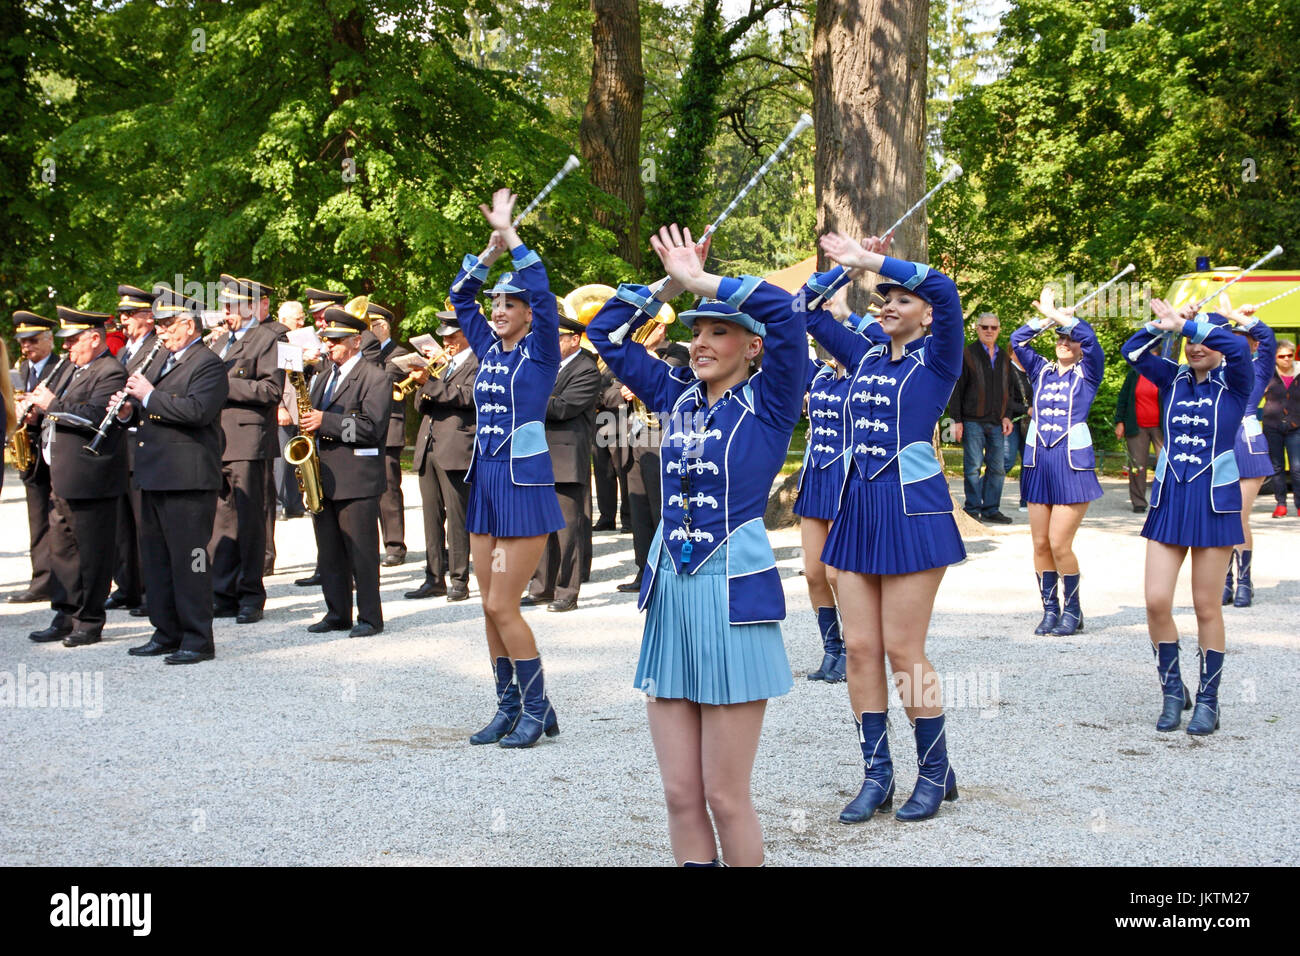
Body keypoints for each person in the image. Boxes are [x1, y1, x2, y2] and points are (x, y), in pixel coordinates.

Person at [588, 224, 803, 867]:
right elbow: (604, 334)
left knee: (724, 794)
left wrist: (703, 283)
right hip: (672, 598)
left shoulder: (770, 402)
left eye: (718, 331)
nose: (700, 342)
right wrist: (664, 285)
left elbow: (788, 318)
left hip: (733, 599)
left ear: (752, 347)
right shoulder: (674, 396)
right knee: (680, 793)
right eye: (697, 330)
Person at [806, 233, 966, 824]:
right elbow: (800, 310)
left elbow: (945, 289)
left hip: (911, 515)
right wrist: (839, 272)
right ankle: (877, 773)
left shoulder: (939, 357)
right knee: (862, 651)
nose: (890, 304)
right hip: (856, 513)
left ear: (924, 313)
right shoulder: (865, 354)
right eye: (884, 298)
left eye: (903, 297)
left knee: (904, 650)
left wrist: (871, 260)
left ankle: (933, 770)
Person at [449, 187, 566, 749]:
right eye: (495, 304)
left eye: (508, 305)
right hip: (486, 482)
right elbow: (457, 295)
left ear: (527, 314)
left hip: (524, 485)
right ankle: (508, 706)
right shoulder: (487, 348)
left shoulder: (541, 351)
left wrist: (514, 238)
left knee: (503, 602)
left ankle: (537, 708)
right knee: (486, 604)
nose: (497, 311)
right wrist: (489, 254)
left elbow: (544, 293)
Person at [1123, 299, 1253, 736]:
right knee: (1156, 600)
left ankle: (1210, 701)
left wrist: (1193, 326)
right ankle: (1173, 691)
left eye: (1202, 338)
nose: (1195, 347)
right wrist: (1162, 325)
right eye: (1188, 341)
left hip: (1213, 503)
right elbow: (1133, 352)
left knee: (1205, 605)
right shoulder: (1172, 378)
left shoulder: (1236, 382)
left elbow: (1236, 349)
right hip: (1170, 500)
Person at [109, 291, 229, 664]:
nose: (160, 332)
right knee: (157, 561)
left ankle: (197, 638)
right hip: (156, 474)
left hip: (189, 479)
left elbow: (197, 411)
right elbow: (150, 410)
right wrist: (129, 410)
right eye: (158, 325)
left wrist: (148, 396)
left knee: (191, 560)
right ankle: (165, 632)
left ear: (188, 325)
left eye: (166, 325)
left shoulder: (207, 363)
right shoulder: (160, 357)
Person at [796, 287, 886, 683]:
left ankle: (856, 648)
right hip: (815, 475)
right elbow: (788, 330)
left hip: (847, 478)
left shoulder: (869, 374)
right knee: (815, 573)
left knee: (838, 575)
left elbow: (883, 343)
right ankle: (831, 650)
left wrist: (849, 315)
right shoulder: (817, 374)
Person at [24, 307, 129, 647]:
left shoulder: (110, 371)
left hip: (91, 475)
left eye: (72, 341)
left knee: (92, 551)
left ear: (94, 338)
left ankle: (90, 619)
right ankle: (65, 612)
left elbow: (95, 417)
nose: (67, 348)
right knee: (63, 549)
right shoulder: (71, 368)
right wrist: (35, 411)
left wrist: (51, 403)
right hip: (63, 473)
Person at [1010, 289, 1105, 636]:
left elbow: (1091, 340)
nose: (1065, 342)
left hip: (1071, 466)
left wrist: (1066, 318)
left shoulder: (1088, 374)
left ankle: (1074, 610)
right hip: (1039, 464)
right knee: (1039, 543)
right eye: (1059, 337)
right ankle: (1050, 610)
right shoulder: (1040, 371)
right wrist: (1047, 317)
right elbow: (1017, 340)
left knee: (1060, 543)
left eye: (1070, 337)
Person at [300, 306, 392, 637]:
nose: (329, 346)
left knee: (362, 552)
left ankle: (370, 617)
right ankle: (337, 612)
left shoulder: (375, 377)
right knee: (330, 551)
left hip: (357, 478)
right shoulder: (323, 377)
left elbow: (371, 428)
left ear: (355, 341)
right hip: (324, 475)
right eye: (326, 340)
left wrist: (326, 421)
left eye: (336, 341)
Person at [207, 275, 286, 624]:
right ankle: (222, 593)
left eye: (233, 305)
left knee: (250, 519)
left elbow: (271, 390)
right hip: (217, 440)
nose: (227, 312)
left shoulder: (269, 338)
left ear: (251, 307)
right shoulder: (221, 341)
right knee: (221, 520)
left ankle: (251, 594)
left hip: (248, 440)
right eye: (223, 305)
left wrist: (224, 384)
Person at [522, 312, 601, 612]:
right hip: (538, 456)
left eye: (555, 338)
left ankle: (567, 591)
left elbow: (563, 407)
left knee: (568, 531)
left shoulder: (586, 369)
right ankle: (541, 587)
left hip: (566, 460)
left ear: (574, 339)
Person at [406, 312, 478, 602]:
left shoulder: (478, 362)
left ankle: (459, 580)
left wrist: (431, 383)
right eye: (444, 336)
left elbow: (469, 398)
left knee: (457, 517)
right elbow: (420, 404)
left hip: (456, 448)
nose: (446, 342)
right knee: (431, 517)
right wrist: (423, 382)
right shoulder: (443, 367)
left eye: (452, 336)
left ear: (467, 335)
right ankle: (433, 577)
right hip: (430, 445)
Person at [1216, 299, 1276, 607]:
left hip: (1248, 446)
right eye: (1232, 339)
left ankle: (1243, 581)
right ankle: (1223, 580)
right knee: (1220, 515)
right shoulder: (1214, 368)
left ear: (1251, 345)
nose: (1237, 345)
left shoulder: (1259, 367)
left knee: (1239, 517)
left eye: (1244, 339)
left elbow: (1269, 338)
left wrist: (1238, 315)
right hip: (1219, 446)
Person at [106, 284, 161, 616]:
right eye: (122, 314)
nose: (123, 320)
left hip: (141, 445)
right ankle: (127, 585)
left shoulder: (157, 348)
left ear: (148, 317)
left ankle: (147, 591)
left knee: (144, 527)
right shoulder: (125, 350)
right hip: (120, 448)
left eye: (130, 314)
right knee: (122, 526)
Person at [8, 311, 68, 605]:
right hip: (31, 448)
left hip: (54, 446)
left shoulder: (61, 366)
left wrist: (39, 410)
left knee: (59, 517)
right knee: (37, 518)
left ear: (47, 340)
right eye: (22, 342)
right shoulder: (23, 369)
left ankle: (58, 578)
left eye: (32, 341)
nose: (26, 347)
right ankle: (41, 578)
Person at [949, 311, 1013, 524]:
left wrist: (1007, 417)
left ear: (998, 330)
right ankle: (972, 508)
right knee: (973, 467)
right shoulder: (966, 354)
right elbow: (956, 390)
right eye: (984, 327)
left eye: (993, 327)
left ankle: (991, 509)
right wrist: (956, 421)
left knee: (997, 468)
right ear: (977, 329)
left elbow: (1009, 391)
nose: (989, 331)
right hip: (972, 420)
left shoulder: (1004, 357)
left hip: (997, 421)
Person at [368, 304, 410, 567]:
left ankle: (395, 545)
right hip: (365, 428)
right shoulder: (365, 354)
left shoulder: (399, 354)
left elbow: (380, 383)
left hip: (389, 429)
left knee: (389, 489)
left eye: (370, 327)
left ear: (383, 327)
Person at [273, 300, 309, 520]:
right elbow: (274, 377)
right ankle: (277, 504)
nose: (302, 321)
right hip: (285, 406)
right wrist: (279, 407)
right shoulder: (276, 339)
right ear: (284, 319)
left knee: (296, 457)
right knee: (280, 459)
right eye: (298, 318)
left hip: (300, 407)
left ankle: (295, 503)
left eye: (303, 317)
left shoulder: (298, 339)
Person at [1114, 368, 1164, 513]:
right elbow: (1123, 398)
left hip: (1160, 428)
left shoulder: (1163, 373)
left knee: (1165, 465)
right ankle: (1139, 502)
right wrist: (1120, 422)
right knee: (1137, 465)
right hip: (1136, 427)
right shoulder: (1134, 374)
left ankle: (1164, 501)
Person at [1262, 337, 1299, 517]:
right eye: (1281, 356)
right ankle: (1281, 504)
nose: (1286, 359)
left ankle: (1299, 504)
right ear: (1275, 358)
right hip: (1272, 426)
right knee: (1276, 467)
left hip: (1296, 426)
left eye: (1289, 355)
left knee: (1297, 467)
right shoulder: (1268, 374)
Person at [1006, 349, 1032, 512]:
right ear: (1012, 352)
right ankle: (980, 496)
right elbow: (1003, 399)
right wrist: (1026, 409)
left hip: (1028, 423)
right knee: (1005, 461)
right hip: (1010, 421)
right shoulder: (1007, 369)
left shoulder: (1029, 371)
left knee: (1028, 462)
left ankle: (1025, 500)